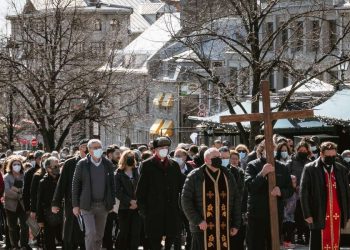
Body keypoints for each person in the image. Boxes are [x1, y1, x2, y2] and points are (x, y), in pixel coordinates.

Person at [181, 147, 241, 250]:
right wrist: (198, 221)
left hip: (224, 226)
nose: (219, 159)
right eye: (215, 157)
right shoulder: (195, 176)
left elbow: (236, 200)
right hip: (202, 227)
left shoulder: (228, 175)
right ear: (206, 160)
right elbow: (185, 201)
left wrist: (236, 224)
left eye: (219, 157)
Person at [300, 141, 350, 250]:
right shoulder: (310, 168)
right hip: (318, 211)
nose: (331, 158)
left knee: (335, 241)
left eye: (333, 156)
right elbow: (304, 192)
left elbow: (346, 193)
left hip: (337, 212)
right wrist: (307, 214)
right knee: (318, 242)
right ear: (322, 154)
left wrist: (347, 213)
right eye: (328, 156)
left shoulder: (342, 169)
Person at [136, 137, 183, 250]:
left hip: (171, 210)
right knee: (154, 241)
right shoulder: (147, 165)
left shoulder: (174, 165)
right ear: (155, 150)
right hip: (153, 211)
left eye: (166, 148)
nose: (164, 150)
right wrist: (143, 211)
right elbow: (141, 190)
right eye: (161, 148)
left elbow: (180, 187)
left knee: (171, 238)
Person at [245, 140, 293, 250]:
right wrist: (262, 173)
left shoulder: (282, 167)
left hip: (276, 213)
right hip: (257, 214)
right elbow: (250, 187)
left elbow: (290, 189)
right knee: (256, 244)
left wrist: (281, 191)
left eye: (274, 149)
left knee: (273, 244)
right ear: (262, 151)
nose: (272, 151)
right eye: (268, 149)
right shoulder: (252, 165)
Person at [72, 139, 116, 250]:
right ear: (89, 150)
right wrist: (75, 205)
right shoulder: (82, 164)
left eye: (99, 147)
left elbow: (112, 184)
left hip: (103, 205)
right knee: (91, 232)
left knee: (99, 235)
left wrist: (112, 203)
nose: (98, 150)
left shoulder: (107, 164)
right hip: (87, 205)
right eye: (95, 147)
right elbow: (75, 184)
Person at [52, 139, 88, 250]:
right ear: (80, 148)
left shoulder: (97, 163)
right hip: (72, 203)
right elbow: (61, 184)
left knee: (87, 235)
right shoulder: (70, 163)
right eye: (84, 146)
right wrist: (55, 203)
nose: (86, 149)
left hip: (90, 204)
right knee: (71, 234)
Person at [286, 141, 312, 245]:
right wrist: (293, 186)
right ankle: (299, 236)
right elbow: (287, 176)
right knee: (296, 216)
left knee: (306, 214)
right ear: (297, 150)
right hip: (294, 195)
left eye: (304, 151)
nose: (302, 152)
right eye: (300, 150)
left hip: (307, 194)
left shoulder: (310, 162)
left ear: (308, 151)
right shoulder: (291, 162)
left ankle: (308, 236)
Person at [115, 150, 141, 250]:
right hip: (124, 208)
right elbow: (117, 191)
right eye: (128, 157)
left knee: (135, 232)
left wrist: (137, 202)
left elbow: (142, 187)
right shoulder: (118, 173)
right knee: (124, 231)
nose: (130, 159)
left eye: (132, 157)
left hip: (137, 207)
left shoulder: (137, 171)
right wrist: (129, 201)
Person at [4, 156, 30, 250]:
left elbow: (26, 189)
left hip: (23, 205)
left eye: (18, 164)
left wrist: (15, 189)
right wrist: (19, 193)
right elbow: (7, 191)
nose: (17, 166)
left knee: (25, 225)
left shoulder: (24, 175)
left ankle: (24, 244)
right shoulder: (6, 177)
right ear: (11, 166)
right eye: (14, 164)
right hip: (10, 206)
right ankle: (15, 245)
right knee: (12, 227)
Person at [37, 157, 62, 249]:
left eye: (58, 165)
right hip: (49, 216)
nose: (57, 167)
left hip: (63, 214)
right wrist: (40, 220)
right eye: (55, 166)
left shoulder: (62, 179)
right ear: (48, 168)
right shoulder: (43, 182)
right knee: (49, 242)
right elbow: (39, 201)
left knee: (64, 239)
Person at [172, 148, 194, 250]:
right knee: (176, 230)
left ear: (185, 157)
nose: (177, 158)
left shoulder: (192, 170)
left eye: (179, 156)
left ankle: (188, 246)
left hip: (188, 205)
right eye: (175, 156)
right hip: (174, 205)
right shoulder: (170, 169)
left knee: (189, 229)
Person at [228, 150, 245, 250]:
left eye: (236, 159)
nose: (234, 161)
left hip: (239, 207)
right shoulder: (226, 171)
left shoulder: (241, 172)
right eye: (232, 158)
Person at [23, 150, 44, 214]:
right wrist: (27, 208)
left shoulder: (50, 171)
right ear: (35, 159)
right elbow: (26, 191)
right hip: (35, 204)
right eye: (40, 158)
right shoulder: (30, 172)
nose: (42, 161)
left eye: (44, 159)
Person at [282, 175, 299, 249]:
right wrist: (285, 216)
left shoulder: (295, 192)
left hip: (291, 214)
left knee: (291, 227)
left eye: (295, 181)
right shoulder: (287, 191)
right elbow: (284, 204)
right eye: (292, 181)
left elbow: (298, 198)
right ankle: (286, 243)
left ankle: (288, 242)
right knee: (288, 227)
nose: (294, 183)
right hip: (285, 214)